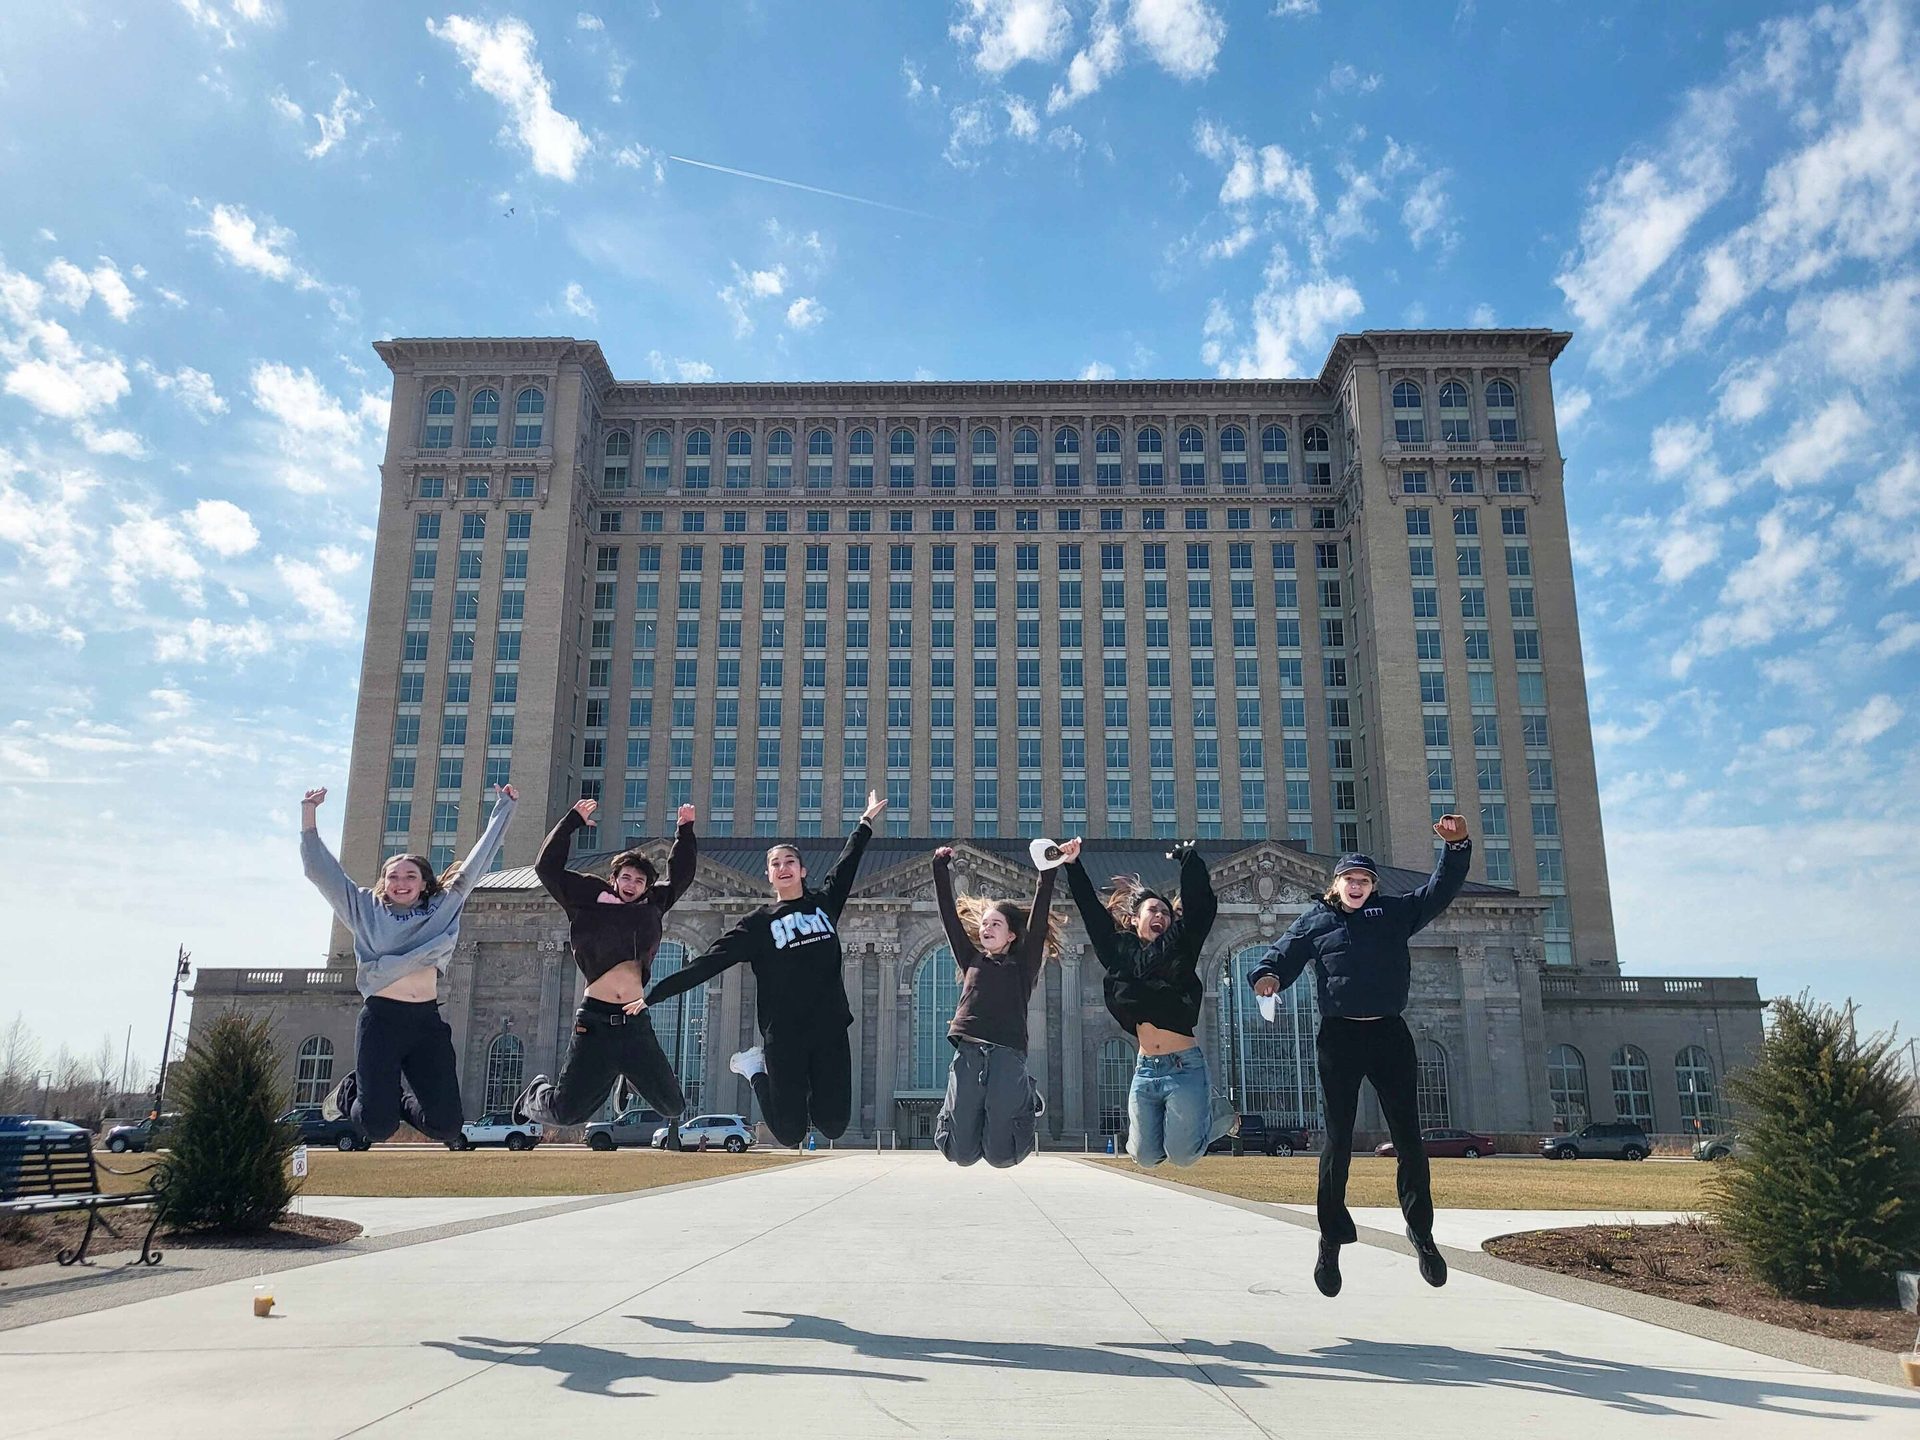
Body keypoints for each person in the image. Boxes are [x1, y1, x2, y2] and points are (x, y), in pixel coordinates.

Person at [1248, 815, 1473, 1297]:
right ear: (1337, 884)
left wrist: (1457, 849)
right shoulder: (1318, 921)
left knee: (1409, 1139)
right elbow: (1281, 954)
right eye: (1351, 879)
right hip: (1340, 1039)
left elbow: (1437, 891)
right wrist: (1266, 976)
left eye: (1365, 880)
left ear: (1373, 886)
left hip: (1390, 1035)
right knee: (1338, 1142)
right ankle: (1330, 1239)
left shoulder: (1393, 913)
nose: (1358, 886)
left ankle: (1422, 1232)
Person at [637, 792, 887, 1148]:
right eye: (775, 864)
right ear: (769, 875)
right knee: (790, 1133)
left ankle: (807, 1090)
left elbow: (846, 865)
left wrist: (864, 823)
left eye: (790, 861)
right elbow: (707, 962)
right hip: (784, 1036)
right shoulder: (757, 925)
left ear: (802, 870)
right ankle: (755, 1070)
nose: (783, 867)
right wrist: (653, 995)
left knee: (832, 1125)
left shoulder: (824, 905)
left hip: (830, 1029)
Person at [301, 783, 517, 1145]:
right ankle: (350, 1094)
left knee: (448, 1126)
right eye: (394, 876)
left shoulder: (444, 906)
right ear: (383, 882)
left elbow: (481, 859)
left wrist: (505, 807)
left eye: (410, 876)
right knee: (377, 1127)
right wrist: (309, 814)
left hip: (426, 1022)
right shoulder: (364, 908)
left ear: (424, 883)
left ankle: (397, 1099)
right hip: (382, 1021)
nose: (401, 882)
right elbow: (321, 871)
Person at [510, 799, 697, 1136]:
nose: (632, 884)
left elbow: (681, 876)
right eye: (626, 877)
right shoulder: (587, 898)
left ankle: (629, 1076)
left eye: (640, 881)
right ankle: (533, 1095)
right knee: (567, 1114)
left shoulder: (653, 905)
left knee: (673, 1107)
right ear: (614, 878)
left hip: (634, 1021)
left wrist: (685, 832)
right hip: (594, 1021)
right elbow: (546, 869)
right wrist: (572, 822)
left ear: (646, 886)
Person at [1060, 837, 1236, 1168]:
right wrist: (1073, 866)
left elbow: (1200, 909)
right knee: (1144, 1156)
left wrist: (1190, 863)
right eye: (1152, 910)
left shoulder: (1180, 948)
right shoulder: (1117, 952)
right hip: (1145, 1068)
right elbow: (1091, 911)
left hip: (1184, 1065)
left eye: (1166, 912)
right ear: (1134, 920)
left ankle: (1217, 1115)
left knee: (1182, 1157)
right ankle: (1198, 1114)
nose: (1161, 916)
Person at [929, 845, 1062, 1168]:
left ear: (1012, 935)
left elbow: (1040, 918)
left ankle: (1025, 1097)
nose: (986, 929)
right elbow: (949, 917)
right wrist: (939, 868)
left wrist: (1048, 871)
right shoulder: (970, 959)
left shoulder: (1024, 965)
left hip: (1007, 1055)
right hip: (969, 1054)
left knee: (1003, 1157)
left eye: (995, 924)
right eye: (985, 924)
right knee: (959, 1155)